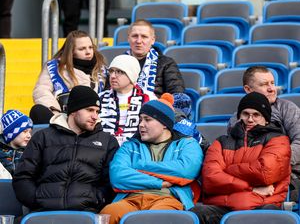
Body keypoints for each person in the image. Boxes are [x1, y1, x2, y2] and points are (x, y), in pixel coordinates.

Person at [13, 85, 119, 215]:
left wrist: (96, 200)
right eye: (90, 110)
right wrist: (36, 200)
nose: (95, 116)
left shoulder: (108, 142)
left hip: (86, 214)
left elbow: (111, 182)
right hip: (44, 213)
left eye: (97, 112)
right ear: (74, 110)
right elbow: (23, 176)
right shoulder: (43, 137)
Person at [100, 93, 203, 224]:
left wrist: (138, 166)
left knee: (153, 219)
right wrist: (160, 183)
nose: (141, 125)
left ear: (164, 123)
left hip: (168, 198)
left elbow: (185, 172)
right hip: (130, 199)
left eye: (147, 120)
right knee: (108, 214)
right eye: (140, 119)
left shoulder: (187, 144)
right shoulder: (130, 145)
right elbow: (117, 176)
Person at [191, 92, 291, 223]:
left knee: (271, 214)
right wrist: (251, 188)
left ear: (266, 119)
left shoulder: (278, 140)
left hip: (260, 205)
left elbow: (265, 172)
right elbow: (211, 179)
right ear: (239, 116)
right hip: (223, 206)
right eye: (245, 114)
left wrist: (228, 170)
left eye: (256, 115)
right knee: (196, 214)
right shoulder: (221, 142)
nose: (250, 119)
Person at [228, 66, 300, 201]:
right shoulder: (236, 119)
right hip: (250, 178)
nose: (272, 89)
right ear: (248, 90)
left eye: (272, 83)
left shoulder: (287, 108)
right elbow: (234, 154)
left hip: (288, 175)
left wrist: (271, 166)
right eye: (264, 84)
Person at [30, 30, 108, 124]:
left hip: (94, 119)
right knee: (37, 111)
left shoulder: (103, 70)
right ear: (71, 51)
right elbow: (41, 91)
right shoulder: (54, 67)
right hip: (62, 117)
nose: (88, 52)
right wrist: (56, 114)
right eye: (82, 49)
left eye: (90, 47)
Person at [99, 54, 152, 146]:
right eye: (111, 71)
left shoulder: (148, 98)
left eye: (119, 71)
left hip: (137, 149)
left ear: (131, 75)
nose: (113, 76)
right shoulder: (100, 98)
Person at [126, 19, 185, 97]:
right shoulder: (118, 64)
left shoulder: (166, 64)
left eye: (144, 36)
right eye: (135, 36)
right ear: (128, 39)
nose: (139, 41)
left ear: (152, 40)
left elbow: (177, 95)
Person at [0, 110, 33, 175]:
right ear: (11, 133)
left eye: (30, 132)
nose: (29, 136)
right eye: (25, 131)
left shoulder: (31, 151)